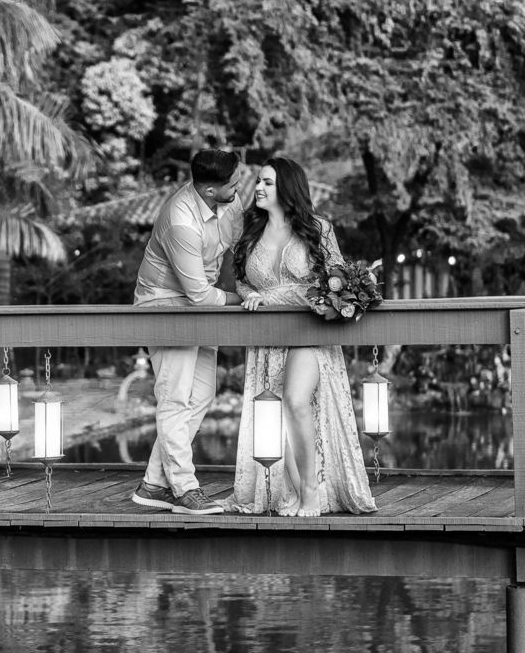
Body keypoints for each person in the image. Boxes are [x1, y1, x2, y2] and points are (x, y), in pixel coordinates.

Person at [222, 157, 376, 517]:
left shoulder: (318, 228)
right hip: (268, 335)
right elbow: (242, 281)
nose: (258, 188)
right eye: (258, 181)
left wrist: (279, 297)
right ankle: (290, 490)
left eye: (268, 182)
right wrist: (250, 295)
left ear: (288, 187)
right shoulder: (250, 231)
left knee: (294, 399)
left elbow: (334, 278)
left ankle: (310, 491)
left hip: (310, 331)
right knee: (276, 410)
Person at [131, 149, 246, 515]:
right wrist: (241, 298)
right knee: (175, 399)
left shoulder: (228, 201)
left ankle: (153, 484)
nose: (239, 188)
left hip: (201, 307)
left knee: (201, 395)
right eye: (233, 184)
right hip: (166, 307)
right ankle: (184, 489)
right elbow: (198, 294)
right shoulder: (180, 221)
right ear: (210, 190)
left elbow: (242, 244)